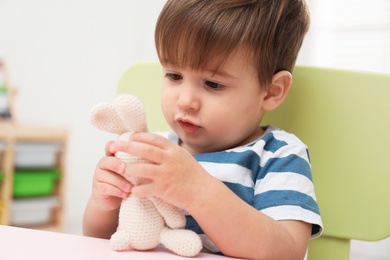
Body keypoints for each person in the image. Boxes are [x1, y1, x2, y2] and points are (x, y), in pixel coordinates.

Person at [83, 0, 323, 259]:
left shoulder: (279, 156)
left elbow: (286, 252)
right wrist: (104, 202)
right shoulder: (155, 149)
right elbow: (99, 241)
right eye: (174, 76)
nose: (185, 100)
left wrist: (198, 191)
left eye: (213, 84)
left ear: (271, 92)